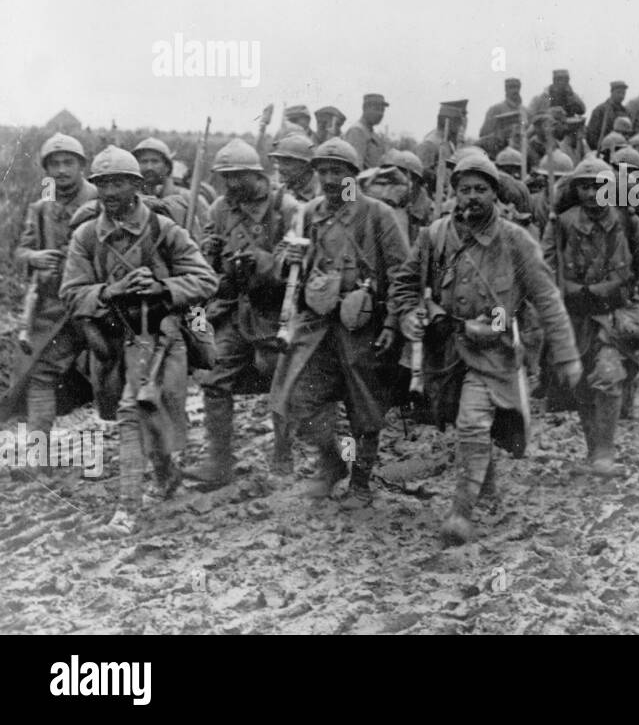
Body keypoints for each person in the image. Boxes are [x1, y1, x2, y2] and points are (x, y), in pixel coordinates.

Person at [389, 153, 581, 544]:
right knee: (465, 422)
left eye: (480, 189)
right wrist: (409, 312)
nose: (471, 197)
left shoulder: (515, 241)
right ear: (454, 193)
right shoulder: (435, 235)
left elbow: (547, 300)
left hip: (493, 351)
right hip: (445, 352)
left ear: (496, 193)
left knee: (473, 421)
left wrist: (566, 354)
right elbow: (405, 283)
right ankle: (486, 488)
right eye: (464, 190)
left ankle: (461, 512)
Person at [61, 146, 219, 534]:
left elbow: (205, 280)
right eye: (103, 184)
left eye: (119, 183)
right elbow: (70, 292)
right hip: (111, 341)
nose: (110, 191)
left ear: (136, 185)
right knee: (141, 417)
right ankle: (166, 472)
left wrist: (162, 286)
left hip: (160, 338)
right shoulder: (86, 235)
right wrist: (110, 291)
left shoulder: (164, 230)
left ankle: (126, 513)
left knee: (135, 415)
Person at [274, 139, 411, 509]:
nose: (331, 179)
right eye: (323, 171)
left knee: (363, 409)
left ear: (354, 176)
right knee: (299, 399)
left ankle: (361, 483)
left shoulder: (378, 215)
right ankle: (332, 463)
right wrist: (288, 258)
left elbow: (403, 273)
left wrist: (392, 323)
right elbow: (287, 272)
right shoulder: (308, 213)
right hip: (317, 326)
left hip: (362, 327)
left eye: (339, 171)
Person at [543, 157, 639, 473]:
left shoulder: (628, 222)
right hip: (576, 319)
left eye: (600, 186)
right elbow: (543, 275)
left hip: (616, 317)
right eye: (584, 186)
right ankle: (594, 454)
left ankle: (605, 454)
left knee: (608, 375)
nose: (592, 193)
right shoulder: (561, 224)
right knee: (582, 387)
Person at [189, 140, 301, 489]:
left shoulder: (286, 207)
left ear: (257, 174)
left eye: (239, 176)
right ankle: (219, 461)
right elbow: (207, 262)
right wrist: (216, 260)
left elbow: (299, 264)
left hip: (275, 310)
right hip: (235, 308)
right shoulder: (220, 209)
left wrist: (262, 262)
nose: (232, 184)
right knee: (214, 376)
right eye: (226, 177)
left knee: (278, 377)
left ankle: (283, 456)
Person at [1, 134, 98, 487]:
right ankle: (38, 459)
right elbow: (22, 250)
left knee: (104, 378)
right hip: (53, 307)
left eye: (67, 162)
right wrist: (35, 257)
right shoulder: (42, 206)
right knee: (39, 377)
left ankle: (102, 460)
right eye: (53, 164)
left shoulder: (100, 199)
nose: (60, 170)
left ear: (82, 165)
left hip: (95, 303)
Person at [132, 137, 209, 233]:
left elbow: (206, 234)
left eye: (155, 161)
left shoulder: (190, 199)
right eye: (143, 162)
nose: (149, 167)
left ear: (167, 166)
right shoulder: (130, 199)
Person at [478, 78, 527, 158]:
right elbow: (483, 134)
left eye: (517, 87)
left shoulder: (525, 111)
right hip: (499, 154)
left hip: (521, 154)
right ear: (506, 89)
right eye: (511, 87)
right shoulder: (496, 109)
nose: (515, 90)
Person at [343, 93, 390, 170]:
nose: (380, 114)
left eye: (382, 110)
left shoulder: (374, 135)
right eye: (377, 109)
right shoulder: (357, 131)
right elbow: (354, 167)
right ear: (365, 108)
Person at [269, 132, 318, 202]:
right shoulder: (282, 192)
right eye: (279, 162)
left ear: (306, 165)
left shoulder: (323, 191)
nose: (280, 168)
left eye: (286, 163)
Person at [586, 81, 630, 151]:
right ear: (612, 92)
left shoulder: (625, 112)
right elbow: (592, 134)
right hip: (604, 150)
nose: (621, 96)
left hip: (621, 151)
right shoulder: (600, 110)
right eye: (618, 92)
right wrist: (599, 149)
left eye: (623, 93)